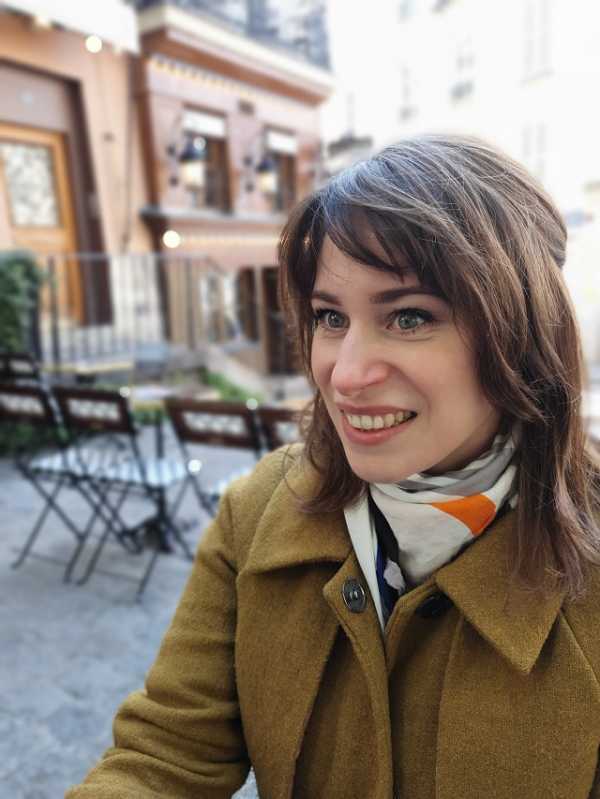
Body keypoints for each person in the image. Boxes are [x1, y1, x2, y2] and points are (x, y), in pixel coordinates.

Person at [66, 134, 600, 799]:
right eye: (330, 317)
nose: (344, 374)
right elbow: (165, 755)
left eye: (409, 316)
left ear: (524, 333)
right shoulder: (260, 509)